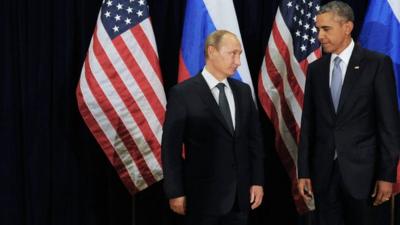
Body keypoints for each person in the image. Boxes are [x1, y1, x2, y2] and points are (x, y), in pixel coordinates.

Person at [297, 1, 400, 225]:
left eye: (326, 29)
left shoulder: (377, 64)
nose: (319, 36)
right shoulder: (316, 69)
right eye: (317, 29)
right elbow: (309, 124)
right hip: (323, 175)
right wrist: (303, 171)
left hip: (364, 177)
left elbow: (389, 126)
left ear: (347, 27)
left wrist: (386, 176)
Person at [161, 30, 264, 225]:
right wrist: (175, 191)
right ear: (212, 51)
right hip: (201, 199)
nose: (238, 61)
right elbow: (170, 149)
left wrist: (257, 181)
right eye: (232, 53)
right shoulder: (182, 94)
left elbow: (254, 142)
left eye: (239, 54)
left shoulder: (243, 91)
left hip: (239, 198)